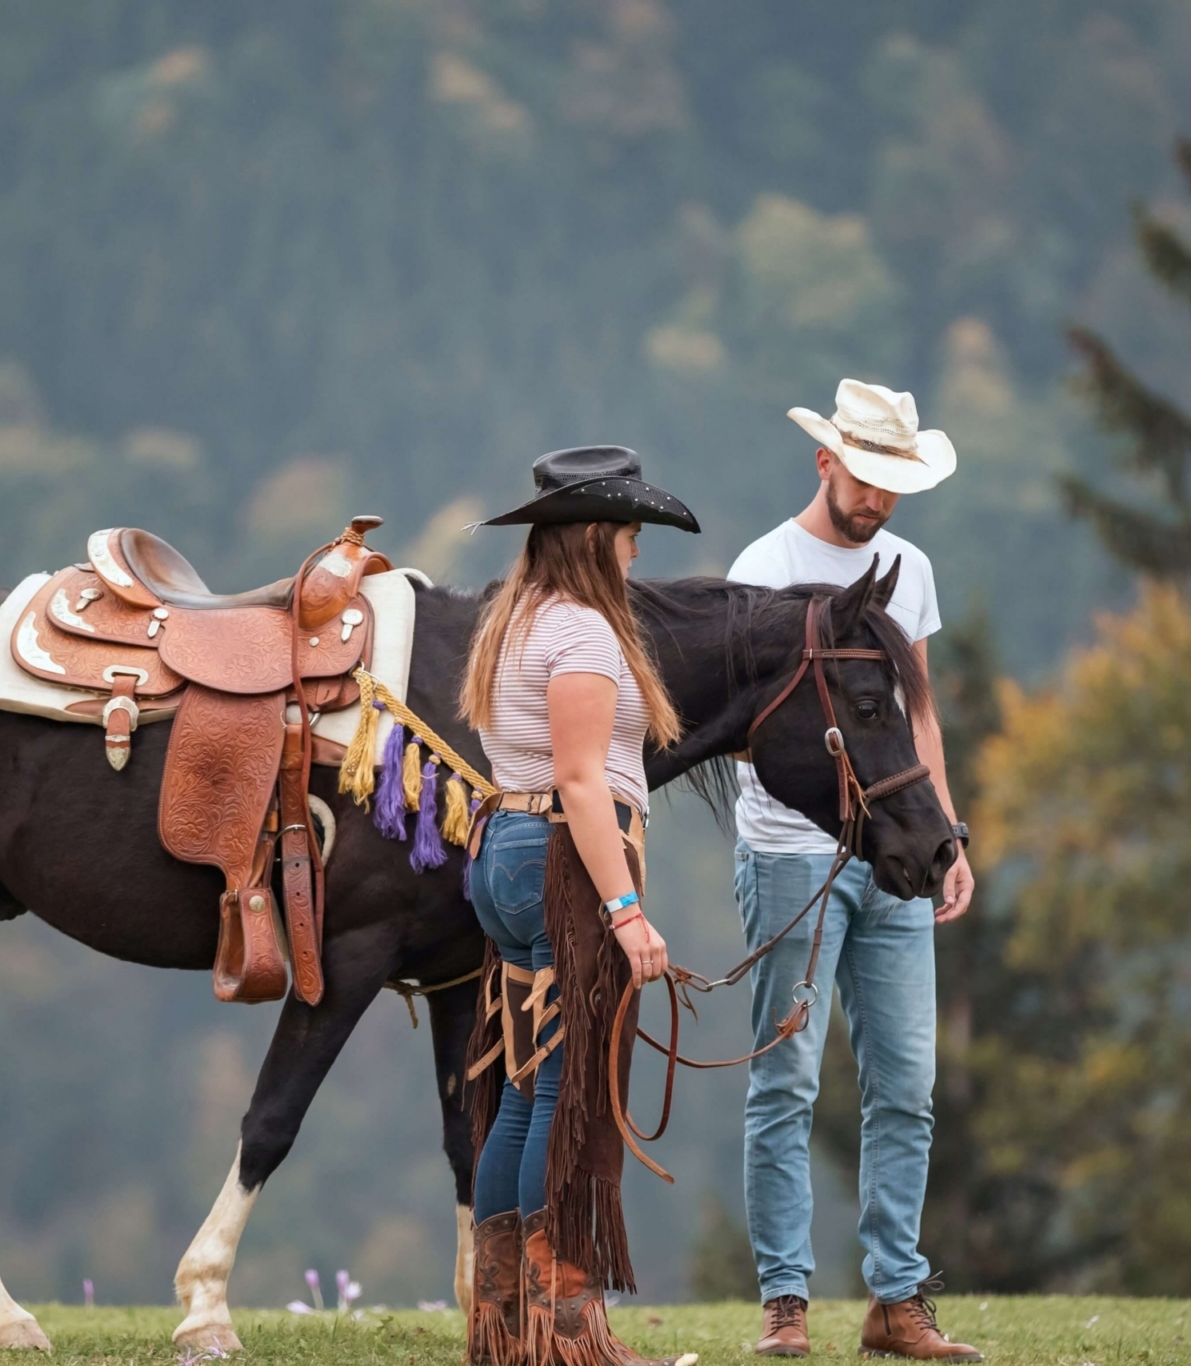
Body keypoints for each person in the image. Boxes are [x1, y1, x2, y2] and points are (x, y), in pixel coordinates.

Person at [729, 380, 980, 1361]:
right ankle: (784, 1303)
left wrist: (946, 833)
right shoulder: (765, 569)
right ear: (824, 461)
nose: (876, 501)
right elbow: (745, 732)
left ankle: (894, 1300)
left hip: (898, 856)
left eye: (892, 484)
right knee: (785, 1078)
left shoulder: (907, 566)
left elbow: (917, 716)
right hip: (795, 855)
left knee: (906, 1082)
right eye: (864, 478)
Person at [458, 445, 701, 1366]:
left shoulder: (515, 618)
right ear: (599, 538)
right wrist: (627, 908)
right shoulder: (587, 636)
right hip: (561, 861)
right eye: (632, 537)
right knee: (563, 1096)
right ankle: (562, 1336)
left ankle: (505, 1329)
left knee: (525, 1089)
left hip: (507, 859)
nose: (639, 553)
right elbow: (582, 782)